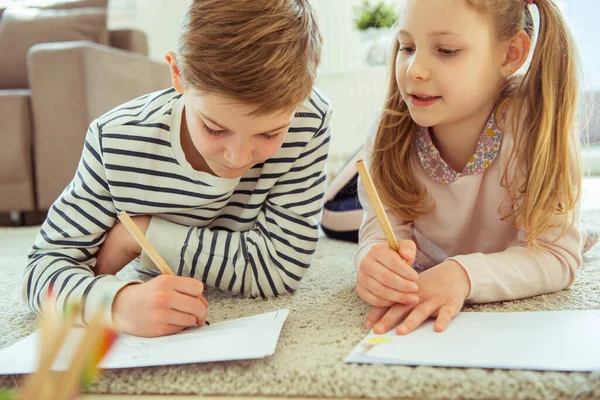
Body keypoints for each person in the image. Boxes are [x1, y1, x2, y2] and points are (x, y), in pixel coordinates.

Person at [23, 0, 331, 338]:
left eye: (270, 133)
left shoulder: (307, 119)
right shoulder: (115, 140)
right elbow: (42, 269)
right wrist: (116, 303)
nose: (237, 158)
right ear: (177, 73)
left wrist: (142, 234)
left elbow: (280, 268)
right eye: (214, 128)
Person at [356, 0, 586, 335]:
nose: (414, 69)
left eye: (446, 50)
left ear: (510, 55)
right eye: (407, 46)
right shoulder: (387, 133)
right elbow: (379, 233)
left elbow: (557, 257)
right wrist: (371, 261)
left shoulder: (536, 127)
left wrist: (463, 275)